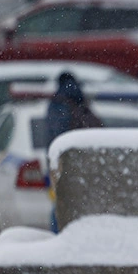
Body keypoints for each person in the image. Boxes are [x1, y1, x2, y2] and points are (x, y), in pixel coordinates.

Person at [44, 72, 102, 232]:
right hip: (84, 162)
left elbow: (54, 135)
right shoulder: (81, 100)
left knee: (58, 202)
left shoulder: (56, 104)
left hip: (61, 162)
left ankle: (58, 234)